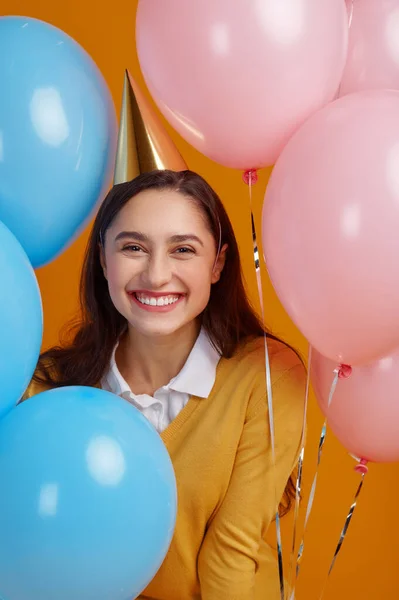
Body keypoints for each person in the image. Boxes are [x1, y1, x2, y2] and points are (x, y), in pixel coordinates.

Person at [24, 169, 306, 600]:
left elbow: (228, 556)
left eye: (183, 250)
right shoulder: (47, 390)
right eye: (134, 247)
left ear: (217, 264)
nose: (156, 276)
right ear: (103, 259)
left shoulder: (268, 376)